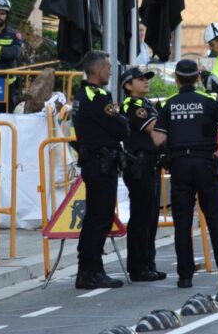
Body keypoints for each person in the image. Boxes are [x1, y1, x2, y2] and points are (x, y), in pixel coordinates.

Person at [150, 59, 218, 288]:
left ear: (176, 79)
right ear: (196, 78)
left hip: (180, 166)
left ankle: (185, 277)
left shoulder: (169, 104)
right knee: (214, 220)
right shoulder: (209, 102)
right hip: (205, 166)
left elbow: (157, 138)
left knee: (182, 223)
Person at [71, 50, 129, 289]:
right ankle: (91, 271)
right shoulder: (97, 96)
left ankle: (88, 270)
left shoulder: (82, 95)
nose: (110, 71)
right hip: (101, 163)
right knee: (99, 218)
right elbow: (121, 128)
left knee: (97, 217)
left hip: (95, 162)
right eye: (107, 67)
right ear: (96, 71)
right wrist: (120, 122)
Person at [119, 67, 166, 282]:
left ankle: (149, 263)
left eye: (146, 78)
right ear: (128, 85)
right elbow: (155, 128)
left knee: (151, 217)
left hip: (151, 164)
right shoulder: (132, 105)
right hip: (139, 166)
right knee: (141, 217)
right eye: (140, 79)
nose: (145, 82)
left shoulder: (146, 104)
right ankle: (138, 267)